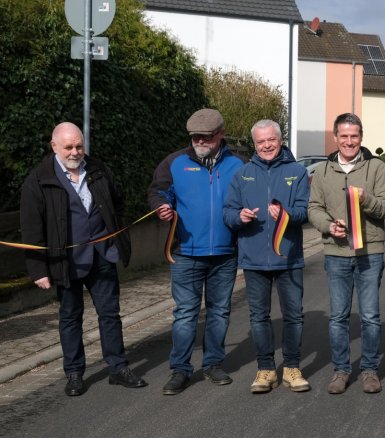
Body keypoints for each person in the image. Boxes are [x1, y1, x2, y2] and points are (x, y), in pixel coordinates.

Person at [20, 122, 147, 396]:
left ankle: (118, 368)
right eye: (69, 147)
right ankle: (74, 373)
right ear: (54, 146)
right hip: (65, 261)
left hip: (102, 255)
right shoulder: (39, 180)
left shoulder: (98, 169)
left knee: (110, 314)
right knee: (70, 316)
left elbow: (118, 201)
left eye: (79, 146)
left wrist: (116, 234)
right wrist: (38, 269)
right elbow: (31, 228)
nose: (75, 152)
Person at [148, 108, 245, 395]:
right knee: (185, 313)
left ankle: (213, 364)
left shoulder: (239, 164)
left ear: (221, 134)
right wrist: (161, 207)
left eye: (206, 136)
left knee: (219, 312)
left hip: (225, 254)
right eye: (195, 137)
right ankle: (180, 369)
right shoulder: (174, 162)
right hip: (185, 253)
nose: (200, 141)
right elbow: (157, 191)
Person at [223, 120, 311, 394]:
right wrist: (239, 217)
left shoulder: (297, 172)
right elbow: (228, 212)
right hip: (254, 258)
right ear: (254, 144)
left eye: (271, 140)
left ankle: (292, 368)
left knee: (293, 316)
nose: (266, 145)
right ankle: (266, 369)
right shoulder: (242, 174)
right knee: (259, 316)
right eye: (261, 142)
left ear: (280, 140)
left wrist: (286, 214)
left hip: (289, 258)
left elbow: (305, 211)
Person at [307, 113, 385, 395]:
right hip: (336, 252)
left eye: (354, 136)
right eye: (343, 136)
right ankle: (341, 370)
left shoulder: (377, 167)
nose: (349, 141)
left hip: (370, 252)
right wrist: (328, 226)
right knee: (338, 317)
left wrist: (365, 200)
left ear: (361, 137)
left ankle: (369, 370)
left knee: (370, 316)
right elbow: (314, 207)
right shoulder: (323, 171)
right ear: (335, 137)